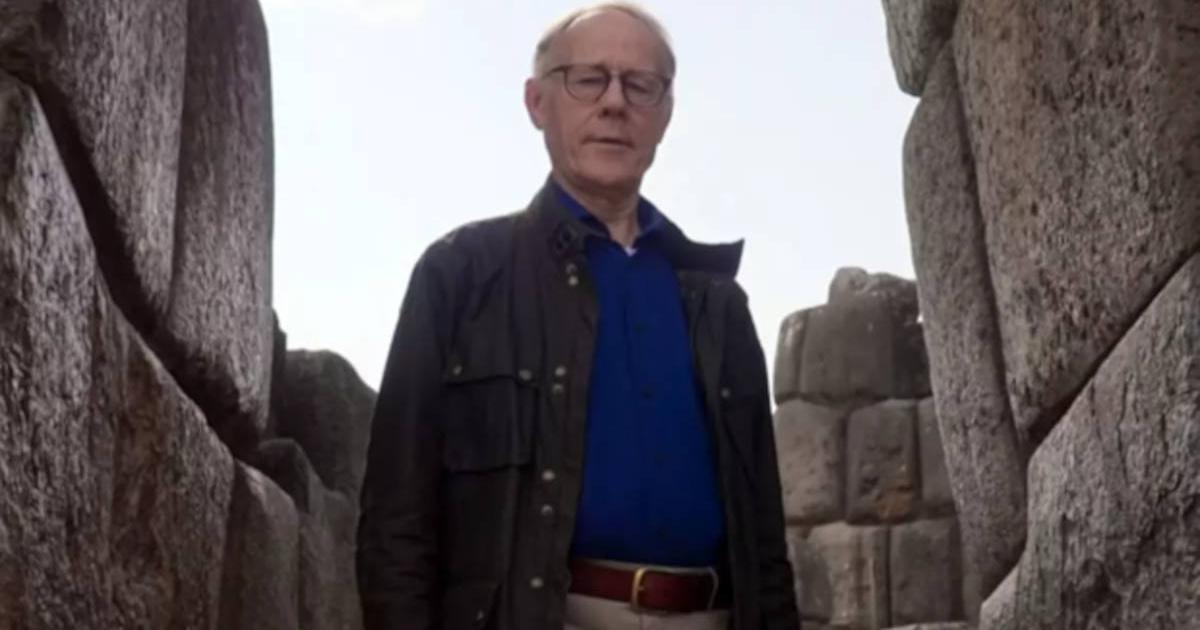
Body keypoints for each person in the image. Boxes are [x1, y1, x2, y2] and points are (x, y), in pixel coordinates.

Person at [356, 3, 799, 629]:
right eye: (588, 79)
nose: (614, 102)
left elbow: (765, 538)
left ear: (665, 114)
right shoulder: (459, 275)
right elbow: (395, 517)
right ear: (538, 103)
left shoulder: (717, 303)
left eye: (640, 85)